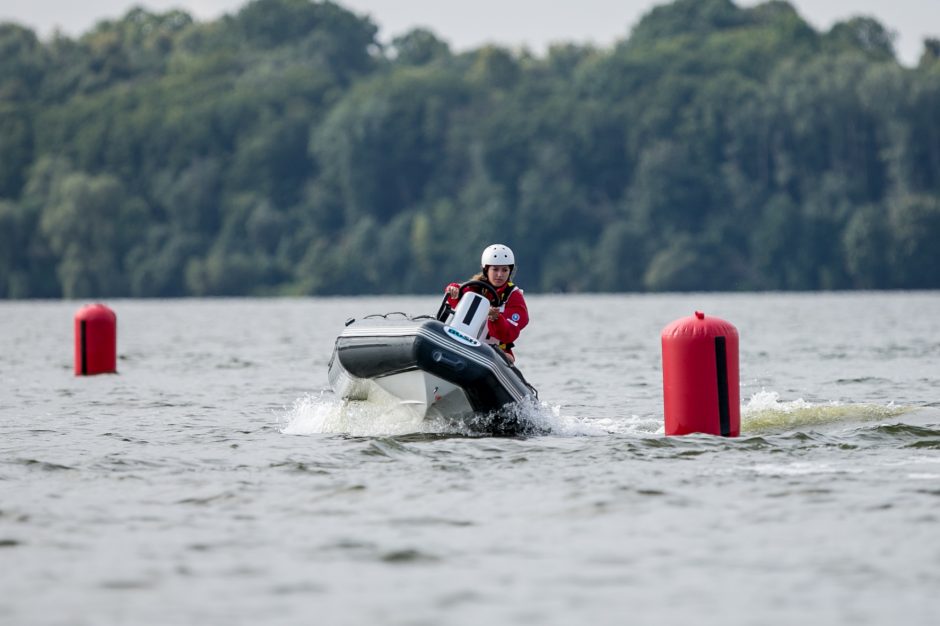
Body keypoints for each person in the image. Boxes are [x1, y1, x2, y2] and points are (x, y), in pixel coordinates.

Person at [444, 244, 528, 363]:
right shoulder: (474, 287)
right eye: (495, 269)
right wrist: (453, 290)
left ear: (510, 272)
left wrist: (496, 319)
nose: (500, 275)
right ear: (486, 269)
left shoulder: (514, 296)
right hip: (463, 341)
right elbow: (457, 297)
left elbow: (509, 335)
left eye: (504, 270)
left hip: (494, 349)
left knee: (508, 359)